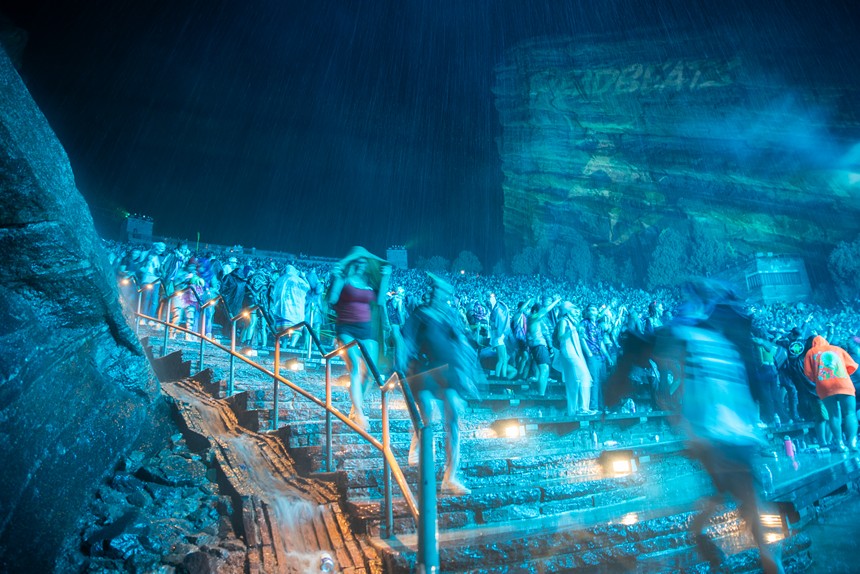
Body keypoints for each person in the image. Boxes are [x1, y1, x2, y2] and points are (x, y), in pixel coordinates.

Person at [608, 280, 784, 574]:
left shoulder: (682, 335)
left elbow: (641, 349)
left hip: (715, 435)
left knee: (741, 499)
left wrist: (683, 424)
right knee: (735, 495)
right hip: (739, 433)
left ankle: (742, 553)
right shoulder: (726, 343)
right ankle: (711, 542)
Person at [398, 273, 482, 495]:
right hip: (424, 371)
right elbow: (407, 341)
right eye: (435, 290)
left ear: (447, 295)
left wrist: (468, 374)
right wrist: (401, 365)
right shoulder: (421, 314)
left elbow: (463, 345)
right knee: (427, 417)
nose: (437, 294)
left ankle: (450, 477)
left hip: (448, 373)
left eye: (442, 292)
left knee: (452, 418)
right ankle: (417, 447)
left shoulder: (451, 317)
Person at [327, 246, 392, 430]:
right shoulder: (343, 277)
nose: (363, 263)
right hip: (346, 327)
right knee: (355, 366)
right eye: (360, 260)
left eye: (365, 260)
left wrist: (386, 275)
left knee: (371, 373)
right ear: (354, 261)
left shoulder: (369, 281)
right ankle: (360, 412)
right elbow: (332, 299)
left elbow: (380, 302)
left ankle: (356, 407)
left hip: (366, 328)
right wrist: (338, 277)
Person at [804, 335, 859, 452]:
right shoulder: (838, 349)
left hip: (824, 386)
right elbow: (852, 367)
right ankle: (852, 442)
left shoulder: (810, 353)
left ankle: (840, 444)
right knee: (850, 413)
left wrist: (820, 380)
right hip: (843, 383)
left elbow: (808, 374)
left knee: (833, 415)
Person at [555, 302, 593, 416]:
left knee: (585, 377)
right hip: (568, 352)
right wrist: (571, 331)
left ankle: (583, 408)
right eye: (574, 309)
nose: (577, 311)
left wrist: (579, 332)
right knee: (576, 378)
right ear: (567, 310)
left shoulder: (574, 322)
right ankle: (576, 409)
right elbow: (560, 337)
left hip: (576, 352)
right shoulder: (563, 321)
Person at [527, 295, 561, 396]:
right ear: (534, 311)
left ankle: (540, 393)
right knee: (544, 369)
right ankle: (541, 394)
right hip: (538, 345)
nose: (542, 315)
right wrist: (556, 301)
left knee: (541, 370)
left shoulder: (534, 319)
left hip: (537, 345)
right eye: (539, 311)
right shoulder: (532, 317)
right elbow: (545, 311)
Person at [270, 264, 310, 347]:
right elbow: (307, 287)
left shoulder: (280, 279)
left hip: (281, 309)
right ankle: (292, 346)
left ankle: (283, 346)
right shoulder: (297, 279)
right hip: (294, 309)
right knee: (297, 329)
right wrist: (304, 277)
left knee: (283, 330)